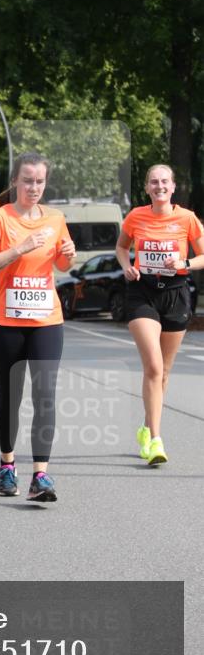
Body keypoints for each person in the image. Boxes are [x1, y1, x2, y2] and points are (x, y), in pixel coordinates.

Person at [0, 152, 77, 503]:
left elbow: (60, 264)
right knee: (11, 397)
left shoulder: (56, 217)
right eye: (28, 180)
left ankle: (41, 476)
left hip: (47, 320)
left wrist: (68, 254)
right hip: (6, 323)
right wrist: (19, 248)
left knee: (45, 397)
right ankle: (7, 465)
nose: (34, 187)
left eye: (40, 181)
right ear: (15, 181)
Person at [115, 163, 204, 467]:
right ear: (147, 187)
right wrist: (126, 266)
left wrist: (184, 262)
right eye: (154, 182)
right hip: (142, 291)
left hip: (176, 293)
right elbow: (121, 247)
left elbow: (203, 255)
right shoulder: (136, 216)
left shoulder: (187, 218)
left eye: (165, 181)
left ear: (173, 186)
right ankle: (155, 439)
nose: (160, 186)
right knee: (153, 366)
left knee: (163, 371)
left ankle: (145, 426)